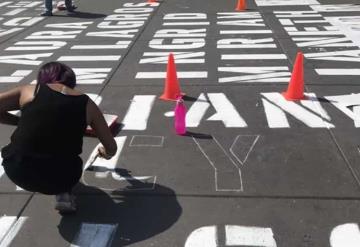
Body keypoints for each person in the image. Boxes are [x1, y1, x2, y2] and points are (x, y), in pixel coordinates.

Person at [0, 62, 117, 213]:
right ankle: (64, 193)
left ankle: (60, 189)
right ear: (72, 81)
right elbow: (111, 147)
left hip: (17, 170)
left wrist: (18, 121)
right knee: (65, 161)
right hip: (60, 179)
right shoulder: (87, 105)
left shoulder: (30, 91)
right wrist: (106, 153)